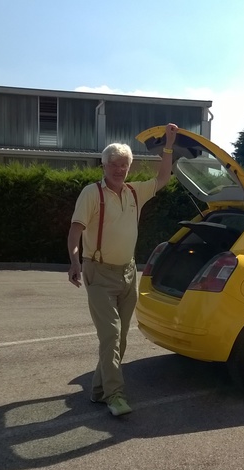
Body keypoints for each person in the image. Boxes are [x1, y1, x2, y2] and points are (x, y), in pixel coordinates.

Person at [67, 123, 178, 416]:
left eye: (124, 165)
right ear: (104, 166)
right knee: (111, 335)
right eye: (114, 164)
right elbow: (75, 230)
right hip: (99, 272)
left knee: (121, 337)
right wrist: (75, 261)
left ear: (129, 167)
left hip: (128, 273)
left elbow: (163, 177)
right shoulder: (92, 193)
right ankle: (115, 395)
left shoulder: (134, 192)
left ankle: (98, 389)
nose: (119, 169)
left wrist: (169, 145)